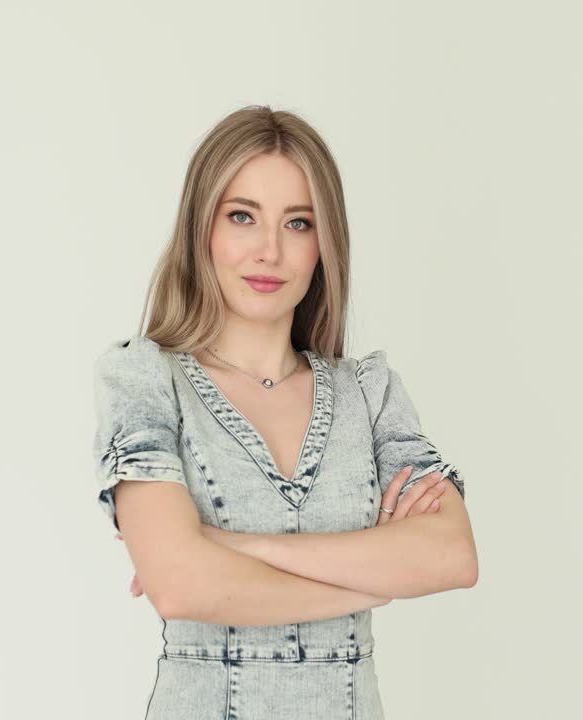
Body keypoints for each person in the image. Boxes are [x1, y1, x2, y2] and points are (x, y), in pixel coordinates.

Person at [91, 105, 478, 720]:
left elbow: (452, 556)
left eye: (298, 223)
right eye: (242, 216)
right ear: (202, 231)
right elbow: (179, 583)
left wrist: (230, 545)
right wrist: (375, 580)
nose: (269, 251)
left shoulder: (370, 392)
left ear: (325, 244)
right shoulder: (145, 379)